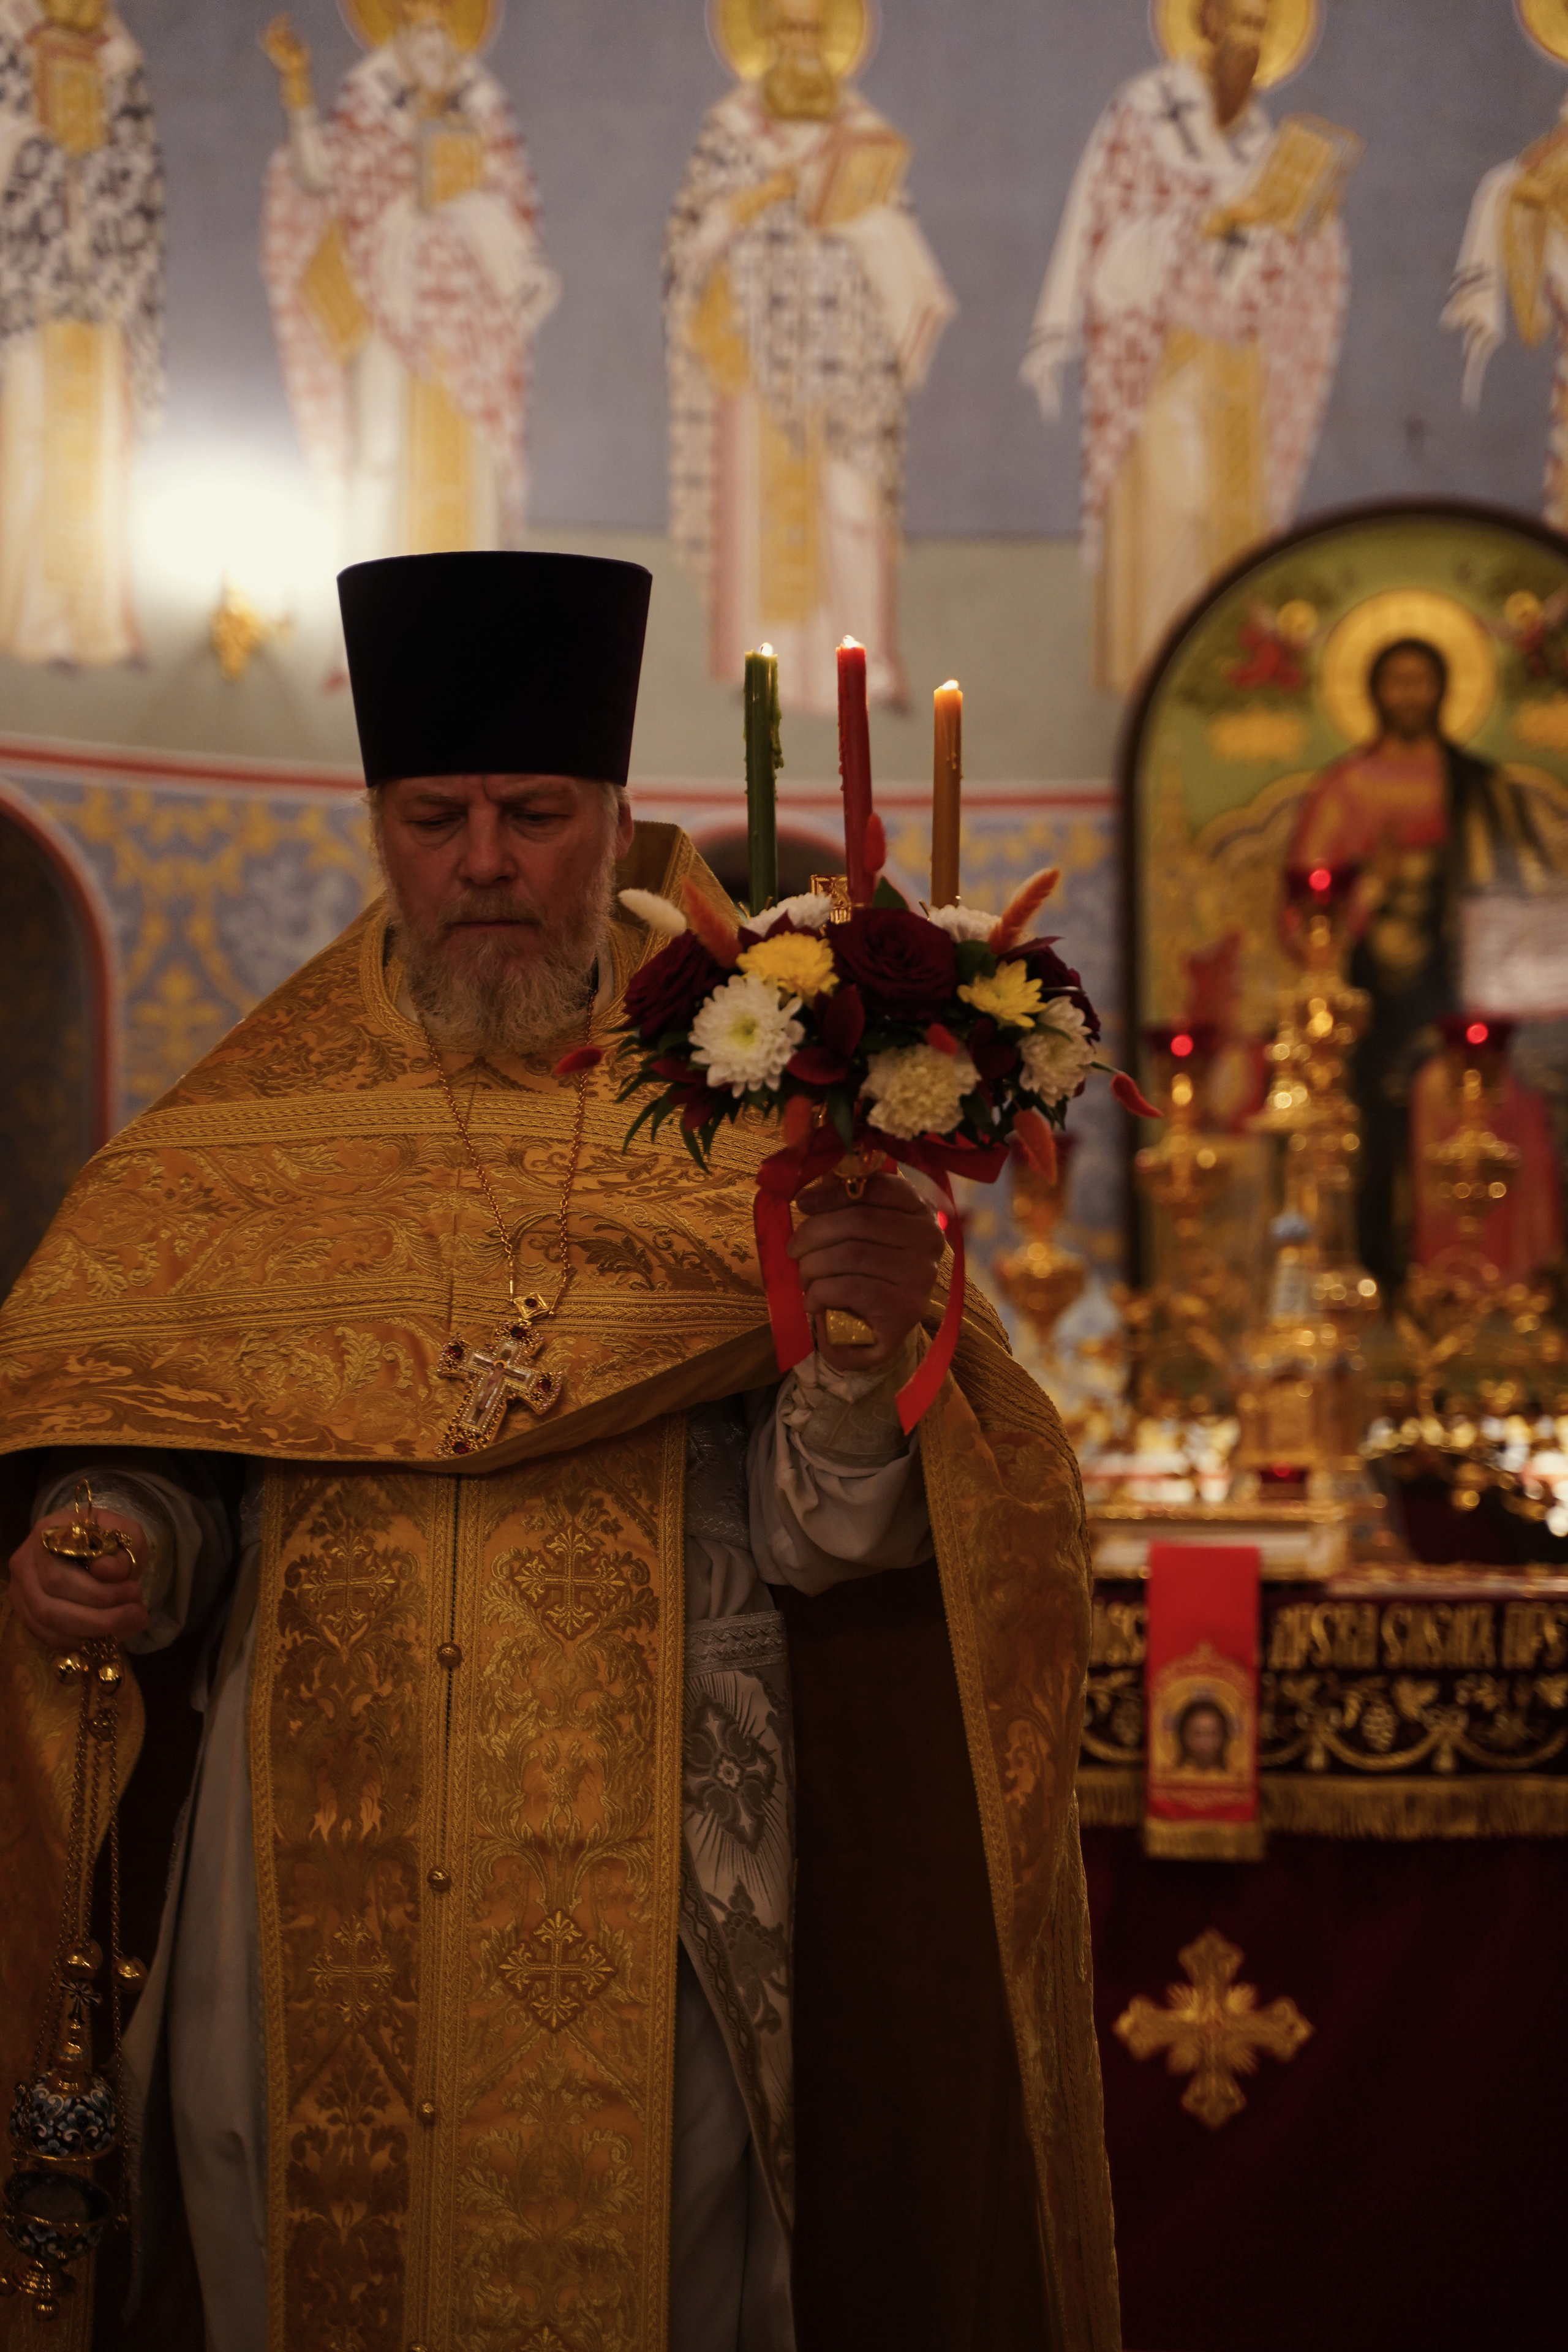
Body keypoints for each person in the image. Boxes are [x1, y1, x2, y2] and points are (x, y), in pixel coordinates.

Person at [0, 551, 1118, 2351]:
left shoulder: (745, 1086)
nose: (484, 861)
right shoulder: (252, 1124)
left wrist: (855, 1358)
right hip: (297, 1855)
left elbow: (835, 1544)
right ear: (378, 826)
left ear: (613, 818)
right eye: (434, 817)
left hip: (660, 1859)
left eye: (532, 814)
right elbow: (165, 1440)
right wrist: (108, 1529)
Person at [1021, 0, 1354, 693]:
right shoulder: (1145, 116)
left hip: (1241, 370)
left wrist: (1314, 227)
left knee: (1232, 520)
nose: (1249, 41)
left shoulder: (1264, 143)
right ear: (1205, 22)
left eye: (1262, 27)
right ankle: (1155, 685)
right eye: (1238, 21)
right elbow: (1109, 249)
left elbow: (1289, 263)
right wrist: (1215, 218)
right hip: (1161, 362)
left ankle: (1221, 686)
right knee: (1176, 514)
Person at [665, 0, 954, 715]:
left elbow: (899, 234)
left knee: (850, 505)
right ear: (766, 39)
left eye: (813, 33)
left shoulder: (862, 131)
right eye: (788, 32)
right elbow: (690, 243)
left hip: (847, 357)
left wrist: (860, 220)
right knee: (759, 506)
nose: (802, 47)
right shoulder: (730, 131)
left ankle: (865, 670)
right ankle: (763, 671)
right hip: (755, 351)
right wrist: (757, 198)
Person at [1291, 636, 1561, 1290]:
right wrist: (1374, 888)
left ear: (1444, 688)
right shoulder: (1347, 790)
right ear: (1373, 692)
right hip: (1378, 1002)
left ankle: (1509, 1279)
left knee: (1512, 1101)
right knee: (1400, 1112)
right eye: (1397, 681)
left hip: (1472, 989)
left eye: (1422, 680)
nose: (1410, 695)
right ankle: (1407, 1277)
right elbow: (1304, 921)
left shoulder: (1481, 787)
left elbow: (1527, 898)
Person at [260, 1, 558, 566]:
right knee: (380, 450)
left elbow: (516, 200)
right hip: (390, 299)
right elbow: (321, 173)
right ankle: (364, 601)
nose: (432, 46)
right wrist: (297, 88)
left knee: (478, 454)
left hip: (473, 317)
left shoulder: (485, 108)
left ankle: (479, 600)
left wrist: (472, 218)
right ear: (398, 34)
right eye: (419, 32)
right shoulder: (369, 102)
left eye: (442, 31)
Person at [0, 0, 164, 663]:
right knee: (28, 438)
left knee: (100, 446)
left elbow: (140, 173)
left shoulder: (119, 62)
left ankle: (91, 624)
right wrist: (42, 160)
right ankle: (27, 617)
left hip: (101, 293)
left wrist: (99, 191)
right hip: (31, 289)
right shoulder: (10, 39)